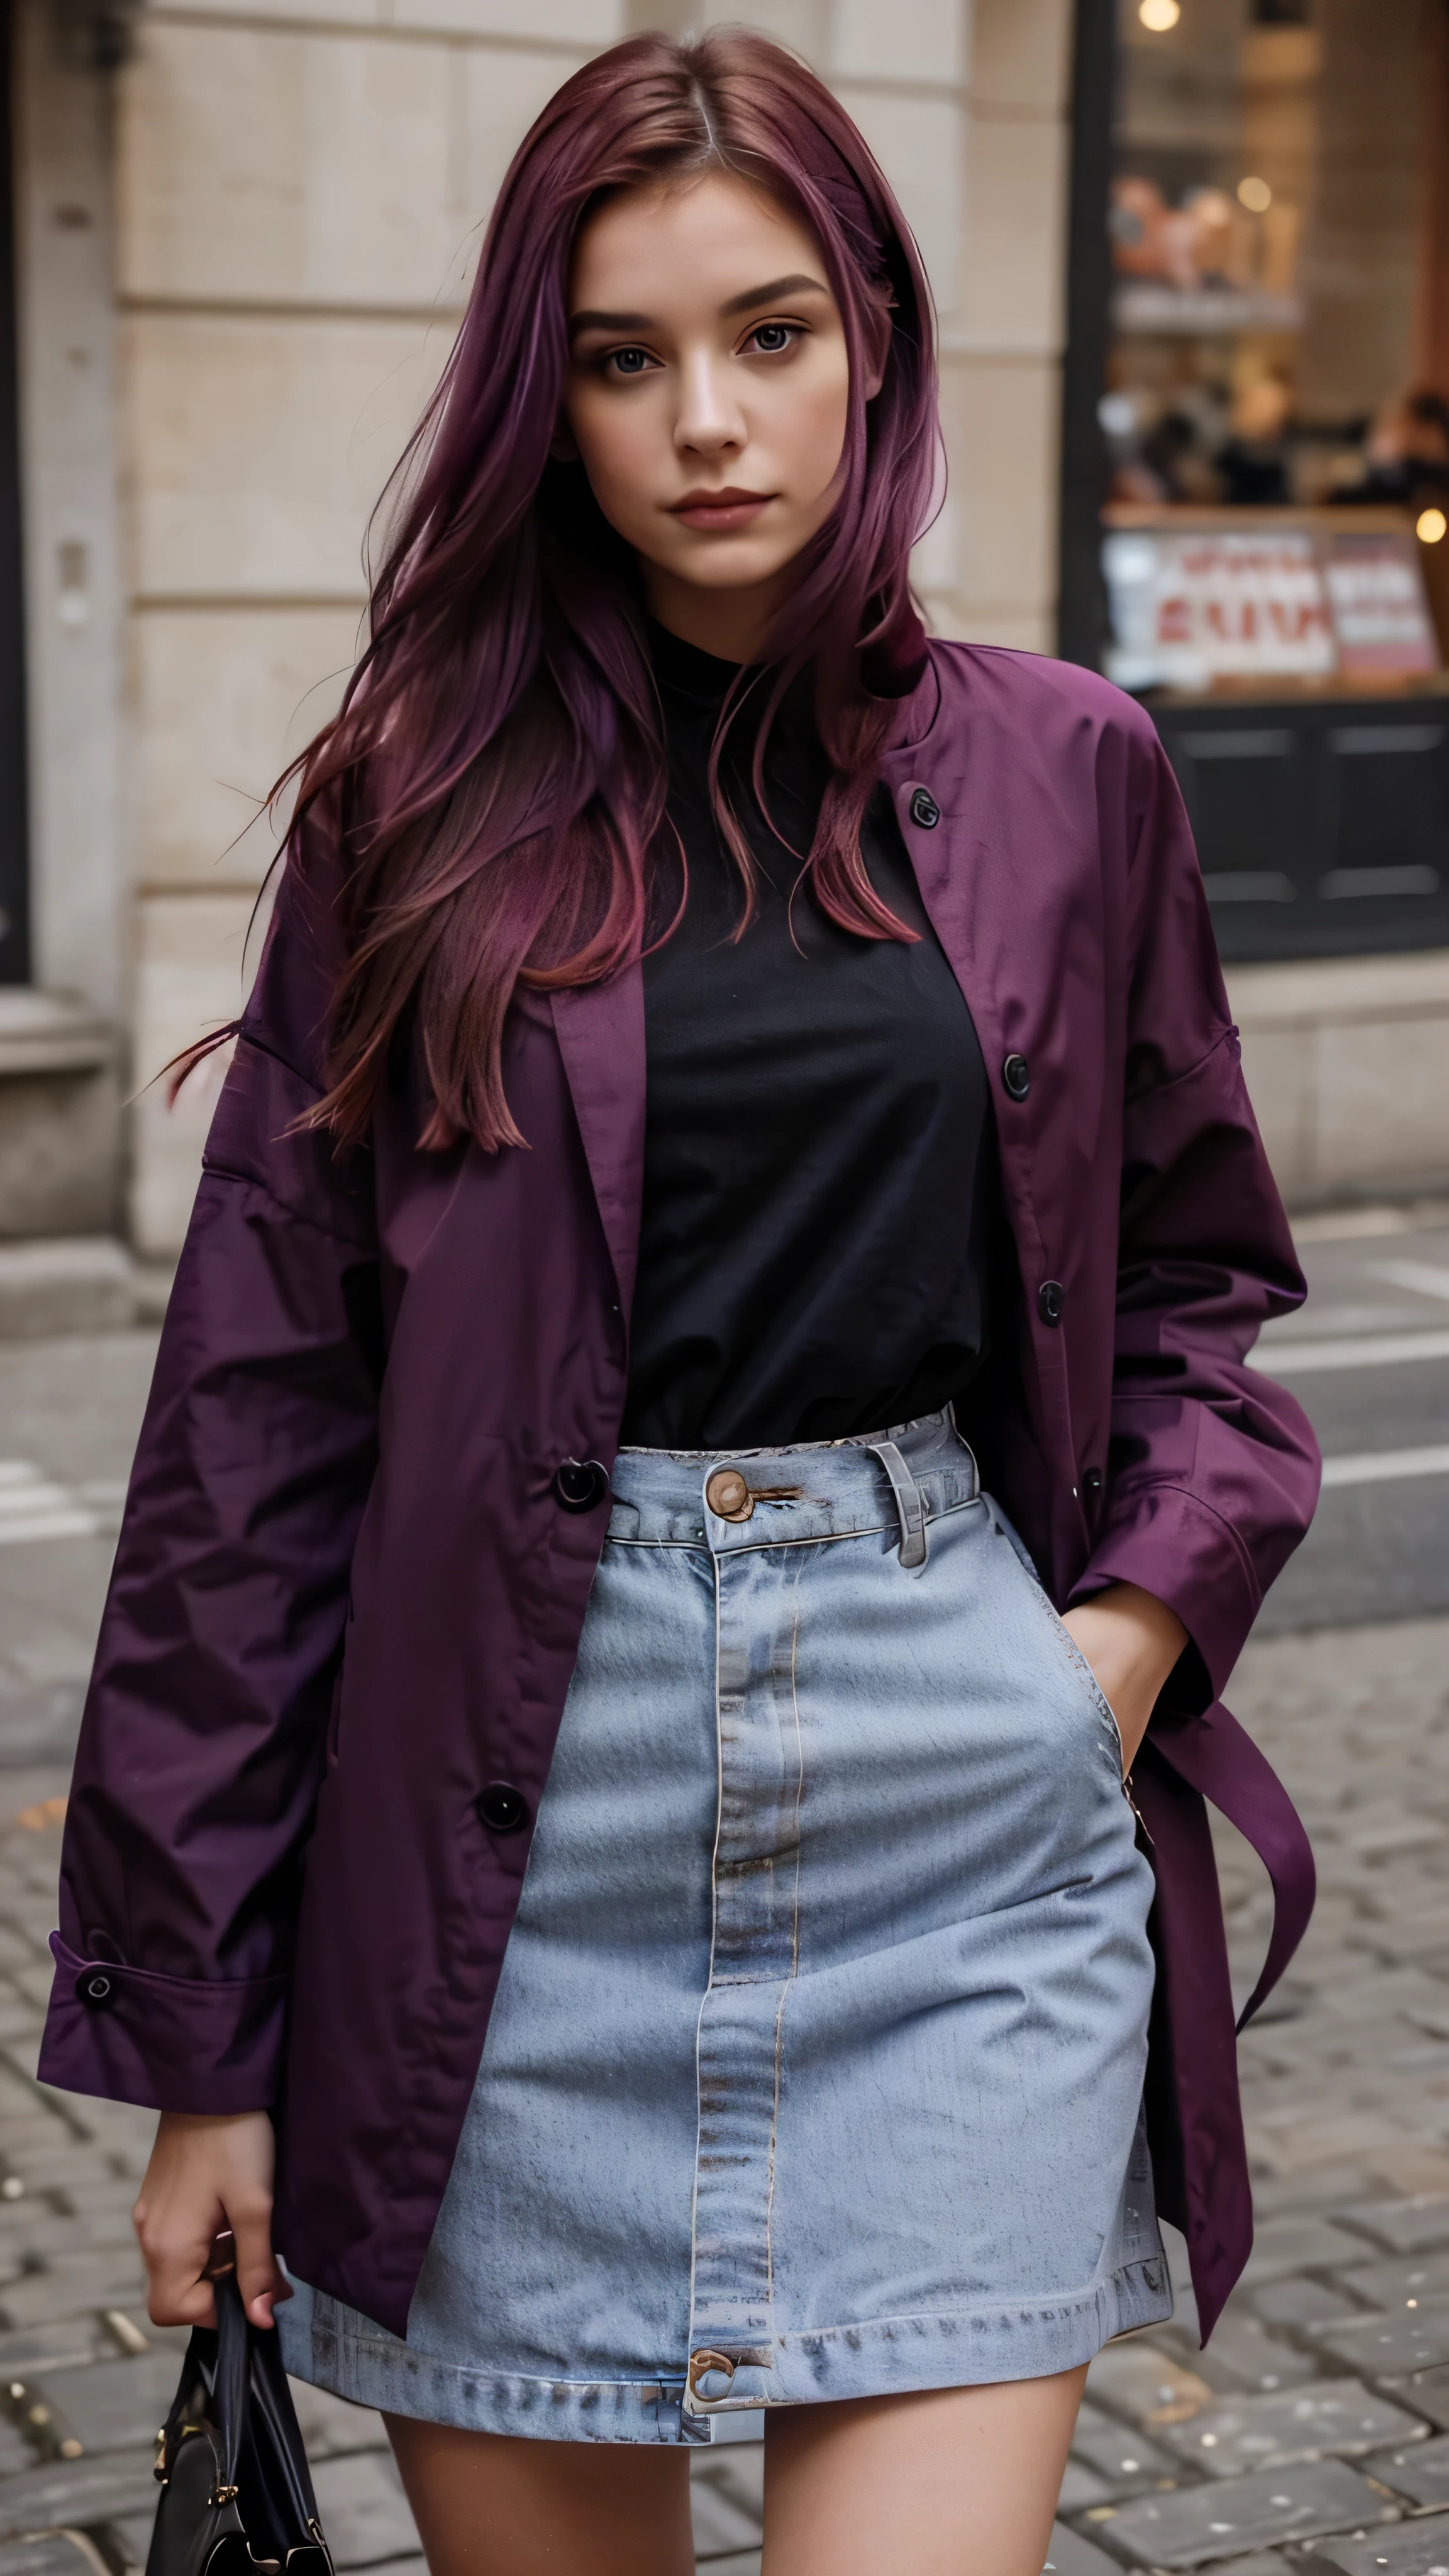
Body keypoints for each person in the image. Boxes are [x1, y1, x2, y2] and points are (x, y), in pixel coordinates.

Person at [37, 32, 1320, 2576]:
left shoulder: (1072, 773)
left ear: (876, 339)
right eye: (622, 360)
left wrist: (1126, 1640)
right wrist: (209, 2054)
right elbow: (253, 1432)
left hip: (961, 1824)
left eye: (768, 335)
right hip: (511, 1864)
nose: (705, 423)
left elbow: (1197, 1276)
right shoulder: (415, 804)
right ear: (548, 399)